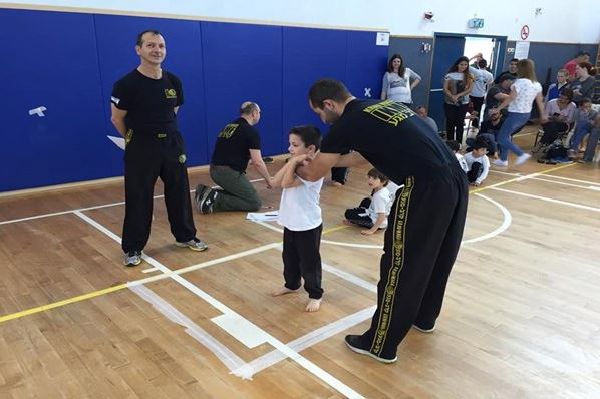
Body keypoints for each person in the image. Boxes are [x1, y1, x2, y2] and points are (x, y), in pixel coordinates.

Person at [297, 79, 469, 364]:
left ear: (329, 104)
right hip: (454, 176)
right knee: (437, 255)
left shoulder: (346, 123)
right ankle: (424, 317)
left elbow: (314, 174)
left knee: (400, 266)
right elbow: (361, 158)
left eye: (319, 113)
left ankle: (380, 344)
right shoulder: (378, 106)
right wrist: (324, 161)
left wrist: (299, 165)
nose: (321, 119)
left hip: (424, 186)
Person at [110, 30, 208, 267]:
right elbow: (117, 118)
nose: (157, 50)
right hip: (142, 146)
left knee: (179, 192)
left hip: (172, 144)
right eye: (151, 45)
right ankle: (133, 248)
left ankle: (185, 236)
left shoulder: (174, 81)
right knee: (139, 197)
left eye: (161, 46)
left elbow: (173, 112)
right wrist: (137, 139)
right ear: (138, 49)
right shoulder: (126, 84)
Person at [270, 125, 324, 313]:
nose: (290, 148)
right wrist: (293, 160)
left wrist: (293, 162)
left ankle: (315, 294)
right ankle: (292, 284)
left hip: (307, 224)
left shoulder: (315, 169)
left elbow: (285, 183)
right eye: (290, 144)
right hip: (291, 221)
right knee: (290, 258)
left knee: (309, 263)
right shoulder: (296, 162)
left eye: (294, 145)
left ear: (310, 149)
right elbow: (274, 182)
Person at [196, 102, 272, 213]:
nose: (260, 115)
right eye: (259, 112)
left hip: (215, 169)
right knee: (254, 203)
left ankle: (206, 193)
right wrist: (268, 179)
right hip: (227, 172)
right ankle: (215, 200)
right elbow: (258, 162)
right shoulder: (250, 131)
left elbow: (231, 149)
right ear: (254, 113)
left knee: (240, 194)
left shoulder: (230, 126)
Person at [490, 59, 547, 167]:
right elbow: (540, 102)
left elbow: (512, 98)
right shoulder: (537, 84)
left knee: (501, 138)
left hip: (516, 114)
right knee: (506, 135)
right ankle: (503, 159)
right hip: (526, 115)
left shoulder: (519, 82)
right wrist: (542, 115)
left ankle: (521, 154)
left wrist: (498, 109)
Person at [343, 168, 393, 235]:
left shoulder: (379, 197)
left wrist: (372, 231)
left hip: (375, 222)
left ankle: (356, 220)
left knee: (348, 213)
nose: (370, 180)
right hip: (380, 218)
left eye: (374, 178)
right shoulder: (384, 189)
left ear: (383, 182)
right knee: (366, 200)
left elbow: (381, 216)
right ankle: (361, 213)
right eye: (369, 177)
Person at [443, 56, 474, 143]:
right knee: (450, 123)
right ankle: (450, 142)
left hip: (463, 103)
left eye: (465, 65)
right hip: (449, 102)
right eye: (461, 64)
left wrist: (458, 95)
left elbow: (470, 89)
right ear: (457, 65)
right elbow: (445, 88)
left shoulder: (470, 76)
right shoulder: (449, 75)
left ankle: (459, 143)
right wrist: (452, 96)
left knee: (460, 123)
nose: (463, 66)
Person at [469, 59, 494, 128]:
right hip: (480, 95)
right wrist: (486, 96)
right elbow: (489, 86)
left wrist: (474, 57)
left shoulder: (474, 71)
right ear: (486, 65)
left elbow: (466, 64)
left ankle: (464, 122)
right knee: (478, 111)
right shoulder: (490, 75)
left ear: (477, 64)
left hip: (471, 94)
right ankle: (475, 125)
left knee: (468, 110)